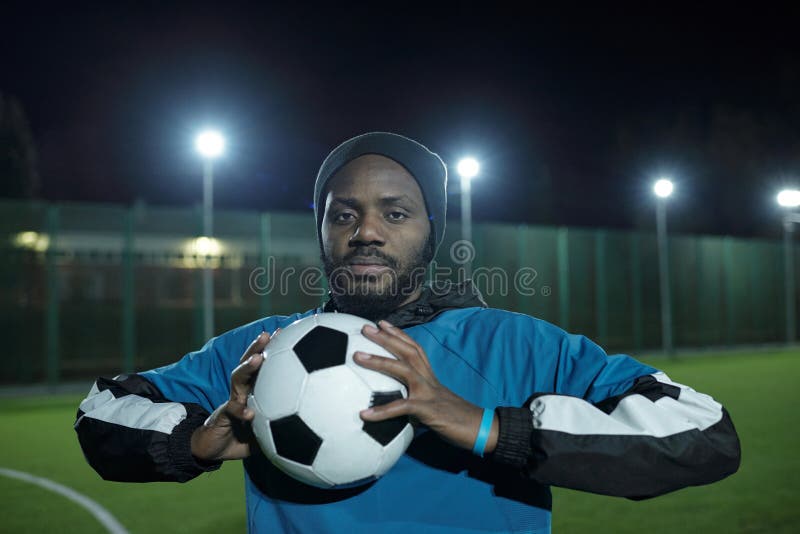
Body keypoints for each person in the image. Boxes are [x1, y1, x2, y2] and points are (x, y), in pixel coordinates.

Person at [75, 132, 740, 534]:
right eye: (344, 214)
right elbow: (101, 411)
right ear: (323, 230)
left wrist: (490, 428)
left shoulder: (520, 347)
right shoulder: (259, 353)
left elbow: (703, 432)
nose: (366, 231)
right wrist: (192, 442)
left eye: (395, 212)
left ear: (433, 230)